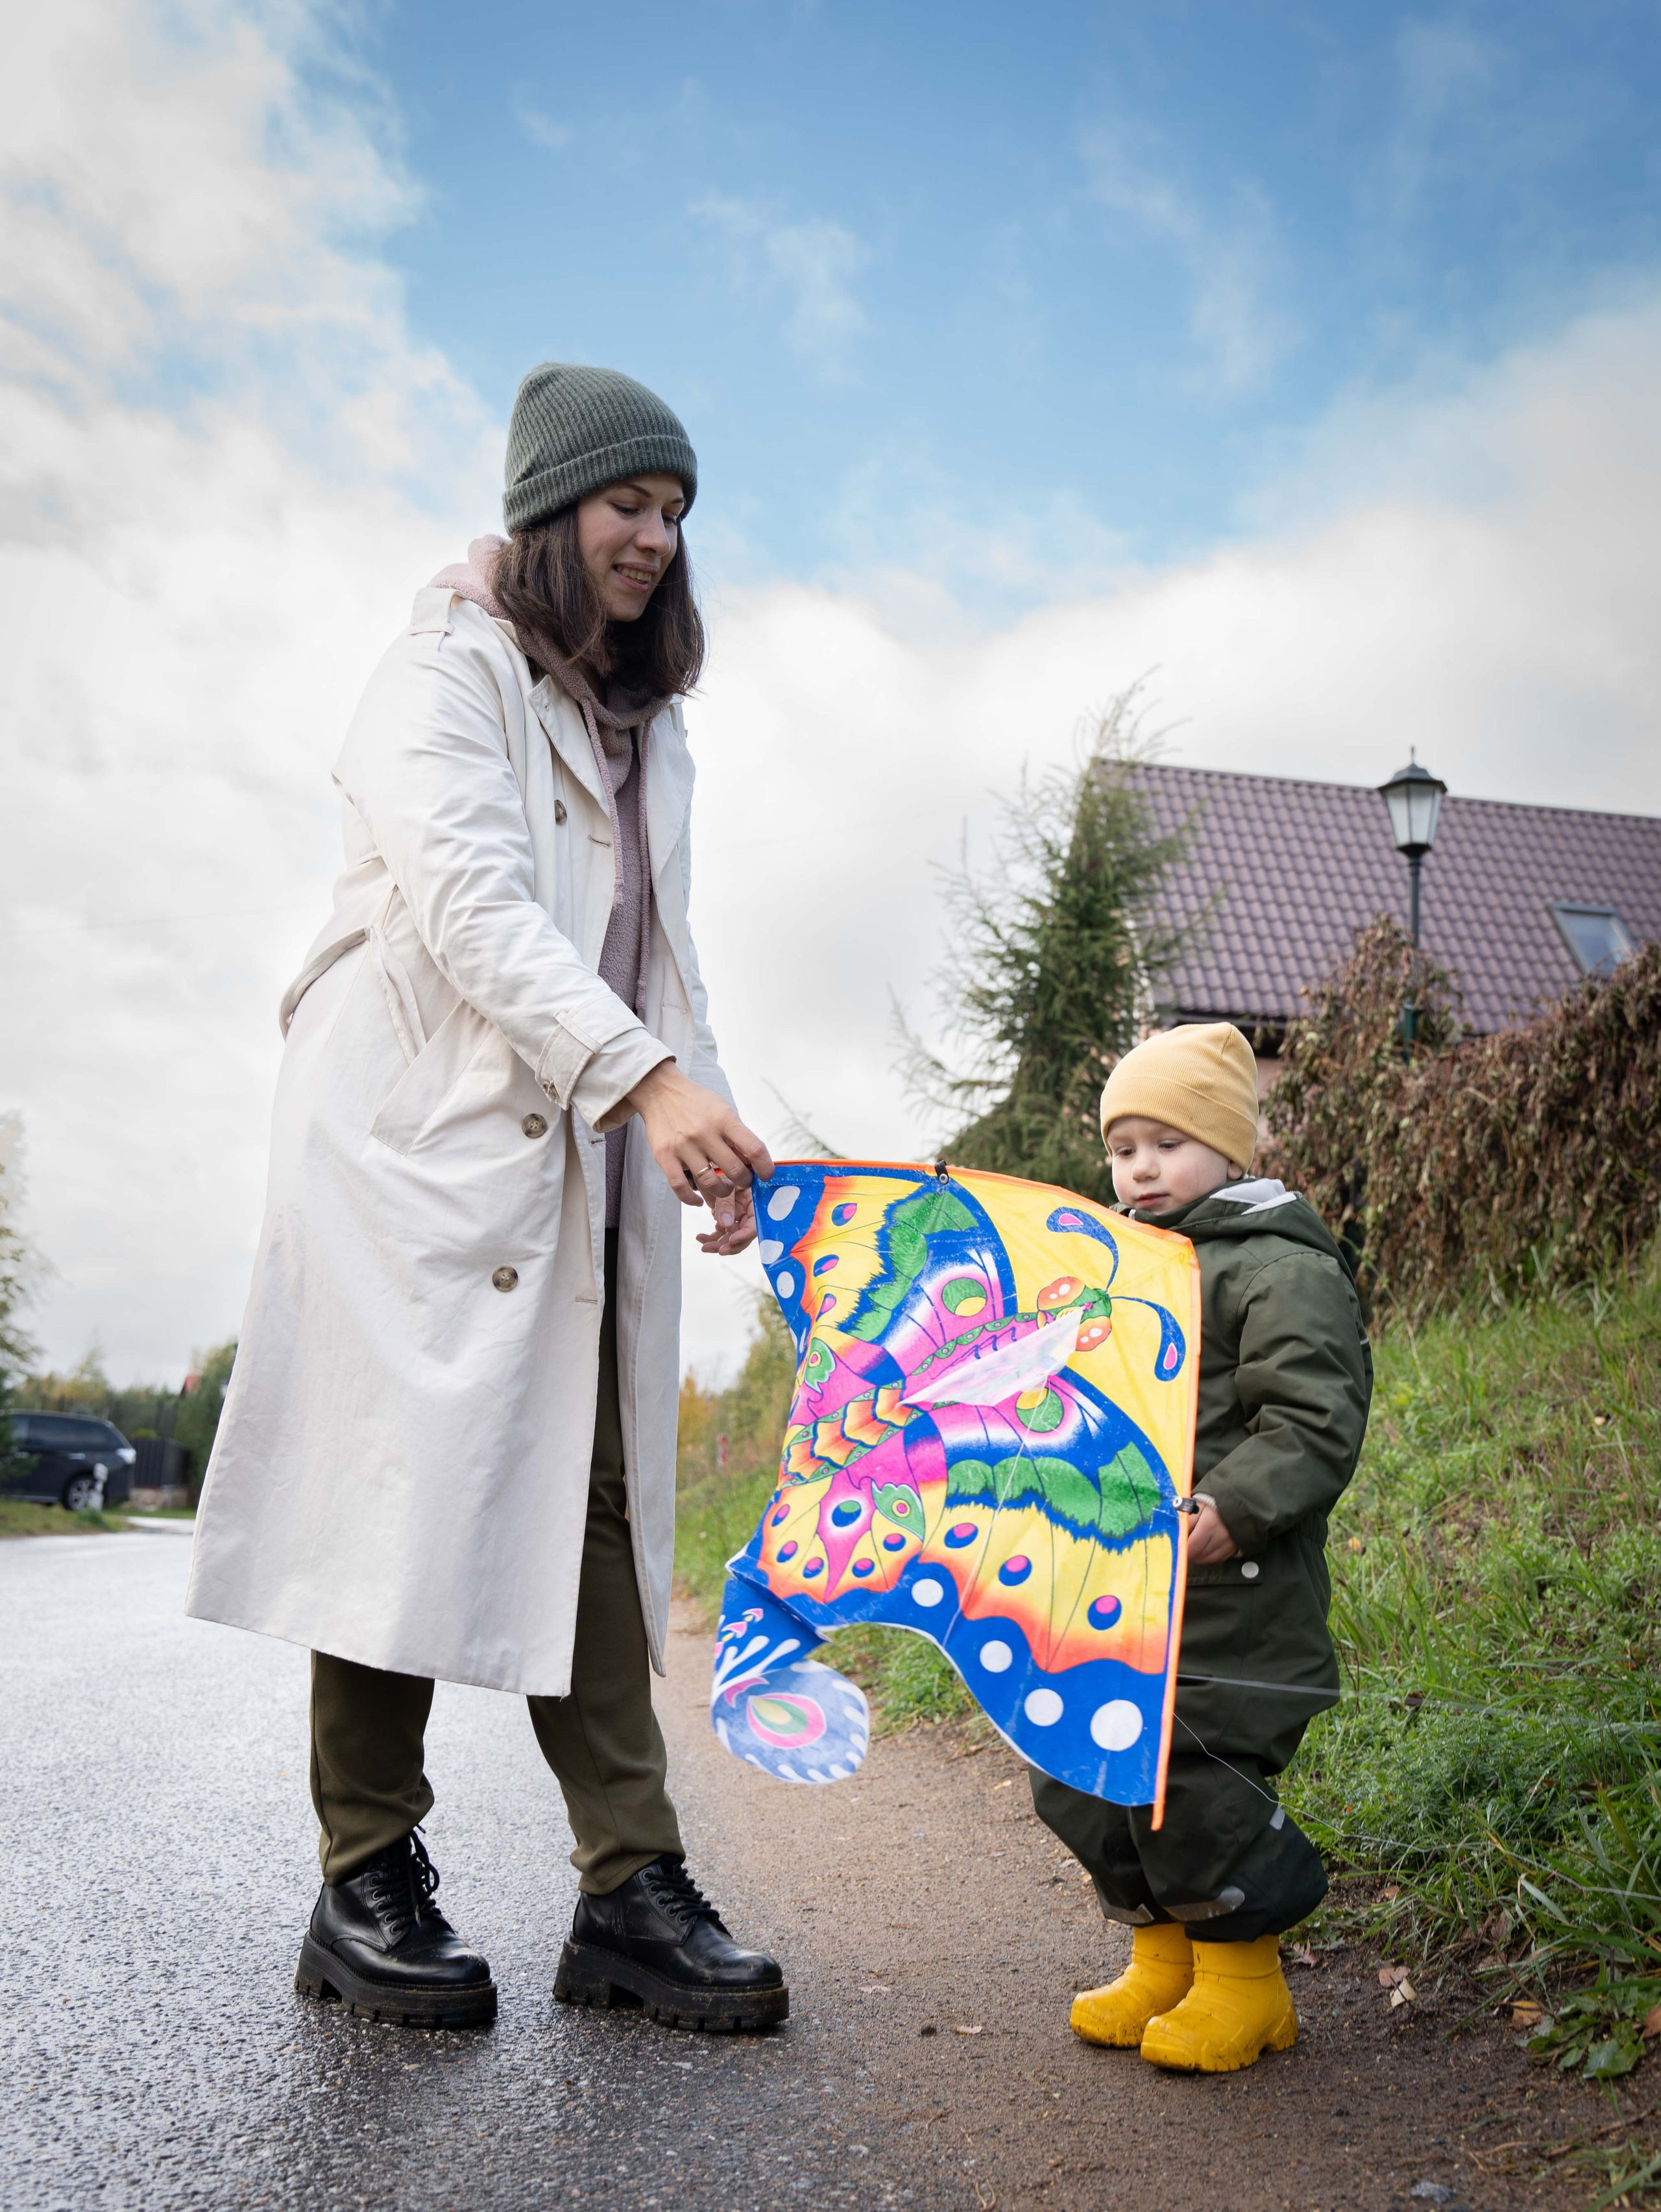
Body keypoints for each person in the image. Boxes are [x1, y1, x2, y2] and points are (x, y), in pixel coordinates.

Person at [186, 363, 788, 2034]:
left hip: (580, 1143)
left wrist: (714, 1123)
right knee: (401, 1492)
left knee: (595, 1502)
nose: (655, 539)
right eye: (626, 505)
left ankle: (628, 1893)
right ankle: (363, 1879)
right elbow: (468, 905)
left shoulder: (644, 726)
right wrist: (645, 1083)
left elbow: (663, 962)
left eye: (673, 513)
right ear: (549, 511)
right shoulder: (436, 672)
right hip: (417, 1151)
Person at [1030, 1022, 1372, 2074]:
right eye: (1124, 1143)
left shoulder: (1274, 1266)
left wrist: (1233, 1504)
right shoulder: (1120, 1269)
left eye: (1168, 1140)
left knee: (1196, 1781)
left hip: (1235, 1589)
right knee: (1087, 1769)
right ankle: (1164, 1959)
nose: (1140, 1165)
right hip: (1118, 1588)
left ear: (1231, 1148)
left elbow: (1315, 1414)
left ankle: (1245, 1985)